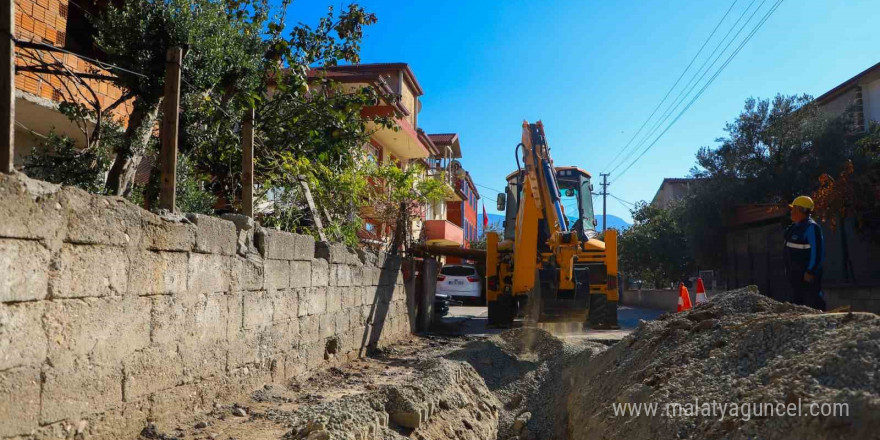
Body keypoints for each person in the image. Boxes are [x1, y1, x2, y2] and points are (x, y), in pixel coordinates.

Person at [783, 196, 826, 311]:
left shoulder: (812, 228)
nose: (791, 212)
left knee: (813, 302)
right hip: (794, 275)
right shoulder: (793, 228)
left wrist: (810, 271)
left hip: (806, 276)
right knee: (797, 304)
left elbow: (817, 253)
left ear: (801, 210)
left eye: (794, 209)